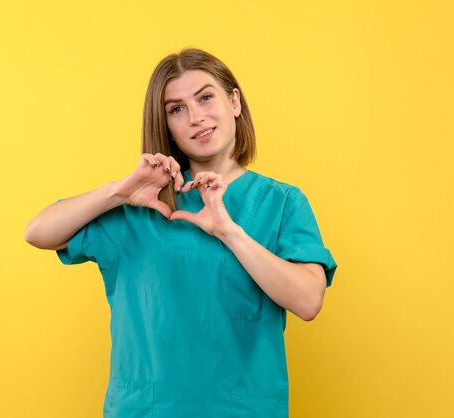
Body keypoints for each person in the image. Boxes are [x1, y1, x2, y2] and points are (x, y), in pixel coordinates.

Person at [24, 48, 337, 418]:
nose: (196, 117)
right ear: (166, 126)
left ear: (234, 101)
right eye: (176, 109)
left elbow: (307, 301)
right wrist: (119, 192)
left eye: (205, 97)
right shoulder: (144, 206)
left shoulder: (282, 202)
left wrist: (229, 231)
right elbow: (38, 232)